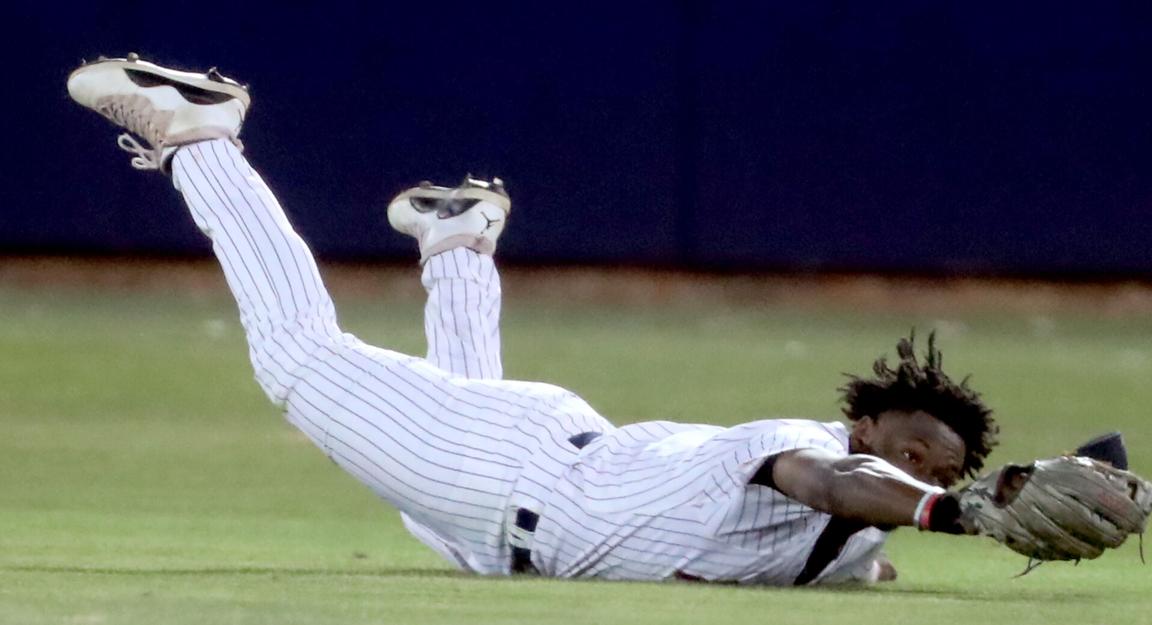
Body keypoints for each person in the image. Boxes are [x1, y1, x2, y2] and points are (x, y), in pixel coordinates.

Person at [67, 54, 999, 586]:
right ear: (869, 427)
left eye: (943, 470)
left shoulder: (862, 536)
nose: (920, 470)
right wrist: (949, 508)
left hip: (515, 507)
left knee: (437, 480)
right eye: (914, 451)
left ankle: (460, 245)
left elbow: (858, 550)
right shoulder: (812, 450)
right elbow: (837, 485)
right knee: (298, 359)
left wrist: (1012, 504)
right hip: (516, 475)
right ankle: (202, 138)